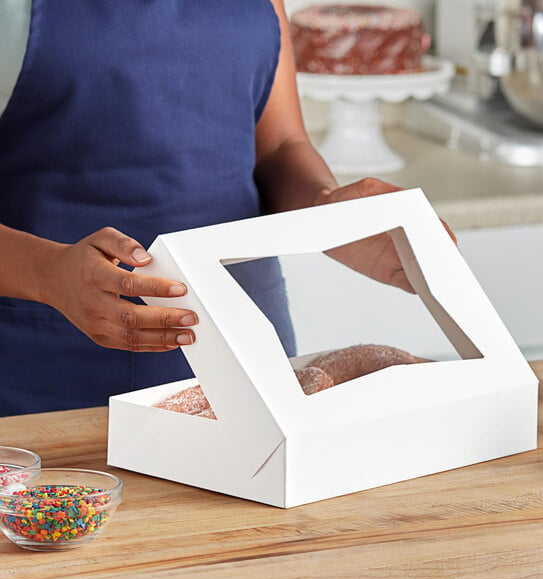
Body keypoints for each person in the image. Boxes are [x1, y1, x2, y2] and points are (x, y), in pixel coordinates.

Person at [0, 0, 452, 417]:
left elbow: (277, 146)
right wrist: (47, 272)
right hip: (45, 366)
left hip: (246, 348)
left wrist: (328, 213)